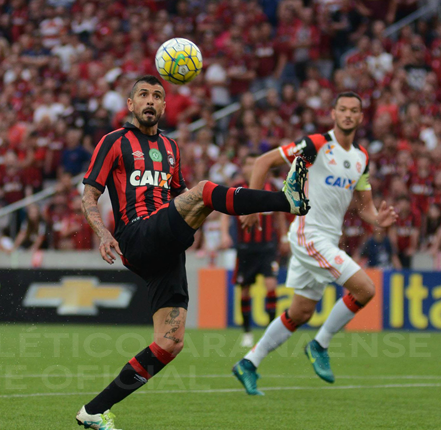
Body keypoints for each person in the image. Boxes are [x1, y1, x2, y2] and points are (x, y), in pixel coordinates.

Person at [75, 75, 310, 429]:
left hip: (166, 248)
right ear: (130, 105)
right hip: (137, 235)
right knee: (204, 190)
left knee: (170, 343)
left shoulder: (171, 148)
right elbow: (89, 194)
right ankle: (285, 201)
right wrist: (103, 232)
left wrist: (196, 226)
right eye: (143, 95)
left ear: (165, 106)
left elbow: (180, 197)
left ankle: (93, 411)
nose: (150, 100)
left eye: (157, 95)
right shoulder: (114, 142)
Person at [232, 92, 398, 396]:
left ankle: (248, 363)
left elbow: (364, 206)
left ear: (361, 117)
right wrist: (252, 206)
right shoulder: (316, 144)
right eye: (343, 109)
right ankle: (319, 345)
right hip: (309, 234)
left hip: (326, 238)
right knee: (365, 289)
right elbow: (263, 161)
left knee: (301, 312)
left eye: (354, 111)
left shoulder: (361, 156)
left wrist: (378, 220)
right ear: (333, 113)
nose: (348, 115)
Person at [220, 154, 287, 348]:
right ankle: (247, 332)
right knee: (245, 290)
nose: (252, 167)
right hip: (245, 248)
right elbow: (225, 213)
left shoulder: (271, 187)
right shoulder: (236, 188)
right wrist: (225, 234)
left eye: (255, 163)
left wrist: (283, 237)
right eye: (249, 163)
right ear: (243, 167)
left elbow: (280, 216)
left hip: (267, 247)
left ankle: (270, 332)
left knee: (271, 285)